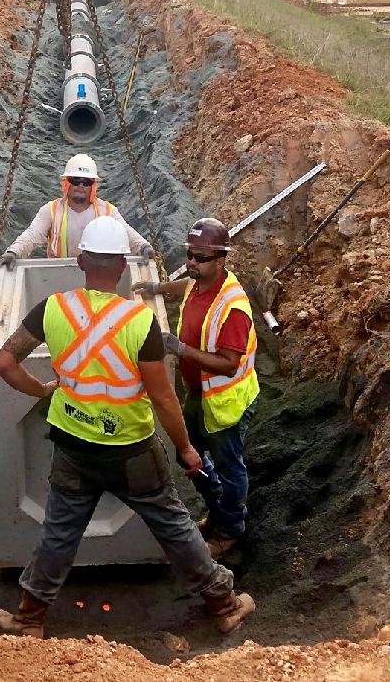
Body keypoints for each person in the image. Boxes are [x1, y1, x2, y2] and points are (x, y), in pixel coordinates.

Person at [0, 217, 255, 638]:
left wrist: (42, 390)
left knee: (59, 533)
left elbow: (4, 363)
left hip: (73, 445)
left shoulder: (53, 309)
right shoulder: (139, 322)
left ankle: (28, 618)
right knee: (174, 526)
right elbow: (163, 397)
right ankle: (223, 605)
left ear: (80, 262)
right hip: (131, 450)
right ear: (120, 268)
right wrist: (186, 449)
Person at [134, 218, 258, 559]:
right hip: (199, 392)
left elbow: (229, 363)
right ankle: (218, 504)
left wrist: (179, 349)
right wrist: (155, 288)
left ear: (221, 260)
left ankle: (230, 529)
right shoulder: (199, 283)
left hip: (225, 401)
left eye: (200, 257)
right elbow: (184, 288)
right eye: (189, 254)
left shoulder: (232, 307)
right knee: (185, 450)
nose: (191, 262)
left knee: (230, 467)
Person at [0, 153, 152, 265]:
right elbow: (32, 235)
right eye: (75, 180)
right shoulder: (51, 210)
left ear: (93, 185)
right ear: (67, 183)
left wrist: (143, 247)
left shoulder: (107, 211)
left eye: (86, 182)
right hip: (59, 272)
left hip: (96, 273)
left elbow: (126, 232)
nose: (80, 185)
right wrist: (14, 252)